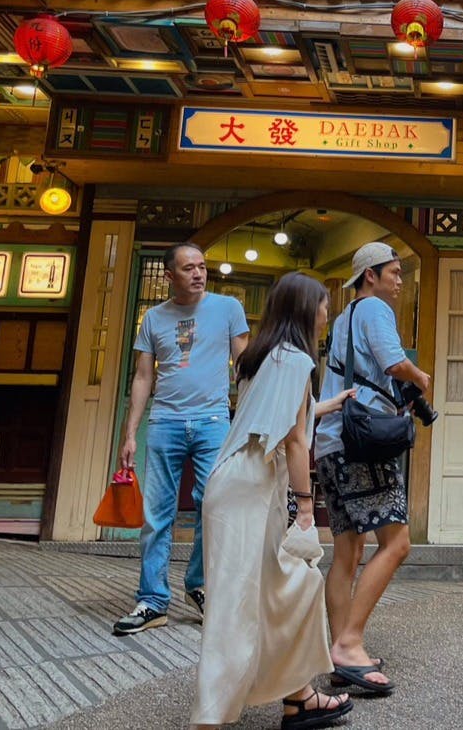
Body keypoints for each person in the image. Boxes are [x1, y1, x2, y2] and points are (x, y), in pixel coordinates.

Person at [191, 273, 354, 729]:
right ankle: (212, 713)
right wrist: (306, 507)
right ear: (306, 309)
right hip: (251, 489)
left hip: (234, 485)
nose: (327, 312)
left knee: (273, 592)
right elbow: (295, 439)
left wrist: (327, 404)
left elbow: (284, 415)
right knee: (246, 600)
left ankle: (298, 696)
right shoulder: (297, 360)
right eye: (324, 305)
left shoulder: (263, 357)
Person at [114, 243, 249, 636]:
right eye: (189, 268)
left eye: (203, 267)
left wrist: (253, 421)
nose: (199, 273)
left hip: (212, 421)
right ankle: (153, 601)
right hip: (165, 421)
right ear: (170, 276)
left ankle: (199, 584)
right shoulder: (153, 318)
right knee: (157, 515)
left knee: (213, 505)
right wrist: (130, 434)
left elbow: (245, 365)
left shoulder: (228, 309)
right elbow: (142, 377)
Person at [315, 242, 431, 695]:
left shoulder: (344, 318)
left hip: (330, 442)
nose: (400, 281)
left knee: (346, 552)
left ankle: (340, 648)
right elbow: (393, 363)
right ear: (370, 276)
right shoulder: (375, 310)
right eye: (394, 273)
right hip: (361, 444)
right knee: (397, 543)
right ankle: (349, 643)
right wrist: (420, 378)